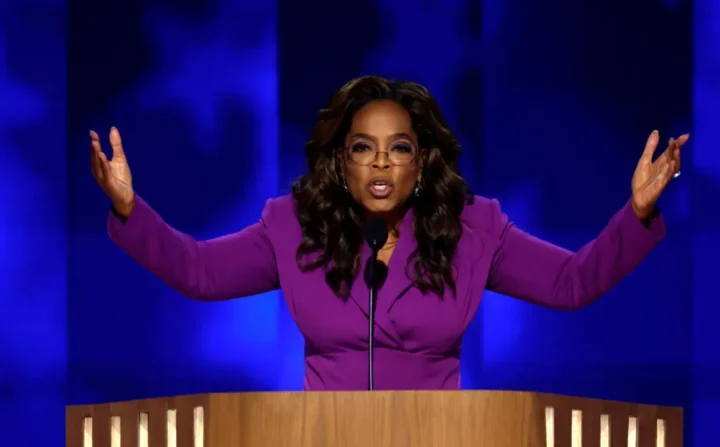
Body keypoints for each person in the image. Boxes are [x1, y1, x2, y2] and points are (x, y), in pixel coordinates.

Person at [90, 75, 688, 391]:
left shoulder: (476, 229)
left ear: (422, 161)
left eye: (398, 148)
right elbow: (198, 270)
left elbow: (570, 282)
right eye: (362, 149)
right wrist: (128, 208)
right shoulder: (292, 226)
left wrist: (634, 214)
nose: (380, 164)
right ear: (341, 162)